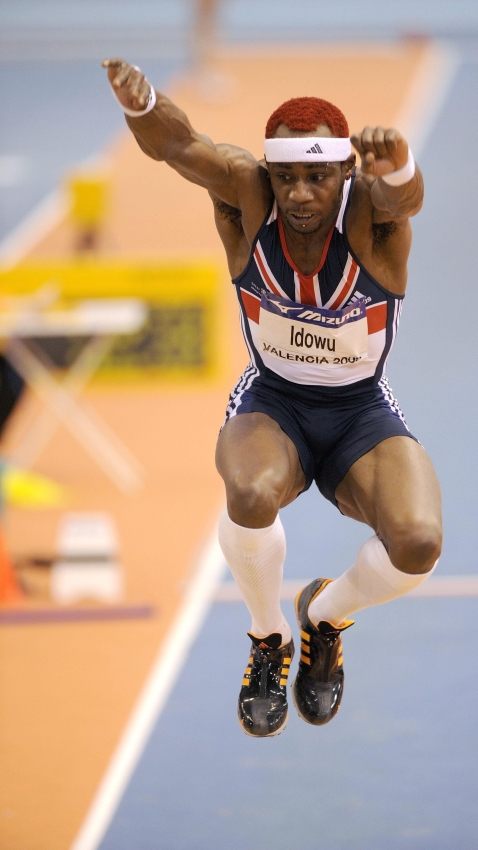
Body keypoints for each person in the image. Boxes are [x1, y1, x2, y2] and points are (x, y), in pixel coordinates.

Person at [103, 58, 442, 738]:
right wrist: (142, 104)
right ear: (269, 171)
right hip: (274, 402)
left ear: (345, 172)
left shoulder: (372, 219)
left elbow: (404, 200)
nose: (299, 194)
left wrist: (399, 165)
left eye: (316, 176)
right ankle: (268, 639)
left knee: (418, 544)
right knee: (251, 495)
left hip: (360, 412)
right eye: (286, 176)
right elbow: (178, 146)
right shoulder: (246, 195)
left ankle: (322, 615)